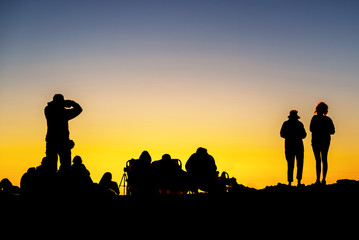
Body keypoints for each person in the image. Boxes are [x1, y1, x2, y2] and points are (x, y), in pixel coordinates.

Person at [45, 94, 82, 174]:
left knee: (52, 167)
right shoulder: (64, 113)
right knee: (65, 168)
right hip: (62, 142)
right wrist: (70, 103)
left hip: (52, 142)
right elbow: (79, 109)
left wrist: (64, 104)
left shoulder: (48, 110)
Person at [310, 102, 335, 185]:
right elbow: (332, 131)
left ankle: (319, 180)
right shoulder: (328, 119)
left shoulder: (315, 118)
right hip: (324, 141)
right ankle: (322, 179)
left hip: (317, 141)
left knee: (319, 160)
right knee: (323, 159)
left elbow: (311, 129)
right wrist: (325, 130)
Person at [280, 110, 307, 186]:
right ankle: (298, 181)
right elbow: (304, 135)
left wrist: (289, 136)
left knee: (290, 164)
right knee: (299, 164)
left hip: (289, 146)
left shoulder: (286, 124)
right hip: (298, 146)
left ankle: (290, 182)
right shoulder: (299, 124)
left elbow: (282, 134)